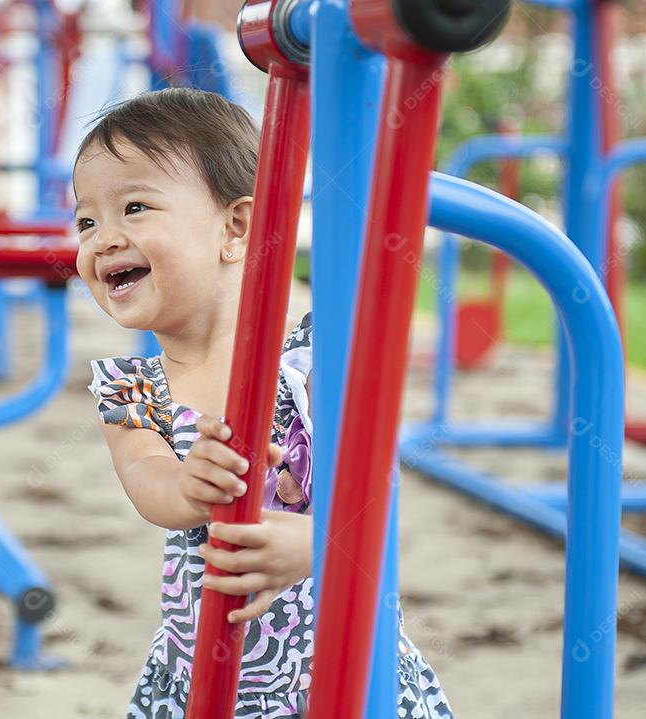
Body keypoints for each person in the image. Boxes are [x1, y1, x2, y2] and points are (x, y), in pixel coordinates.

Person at [74, 87, 452, 719]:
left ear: (236, 227)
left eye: (134, 208)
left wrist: (321, 543)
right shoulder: (131, 387)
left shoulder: (313, 356)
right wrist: (188, 486)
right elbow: (146, 482)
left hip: (342, 672)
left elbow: (369, 487)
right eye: (86, 221)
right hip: (209, 681)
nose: (103, 239)